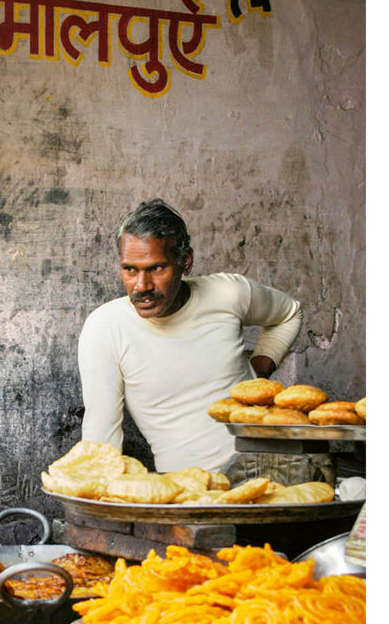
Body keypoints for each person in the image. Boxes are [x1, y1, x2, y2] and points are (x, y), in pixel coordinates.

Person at [78, 198, 303, 473]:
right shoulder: (105, 328)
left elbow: (290, 313)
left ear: (185, 262)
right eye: (130, 269)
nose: (142, 286)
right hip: (189, 492)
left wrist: (260, 372)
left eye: (156, 268)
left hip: (274, 466)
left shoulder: (229, 293)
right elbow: (102, 435)